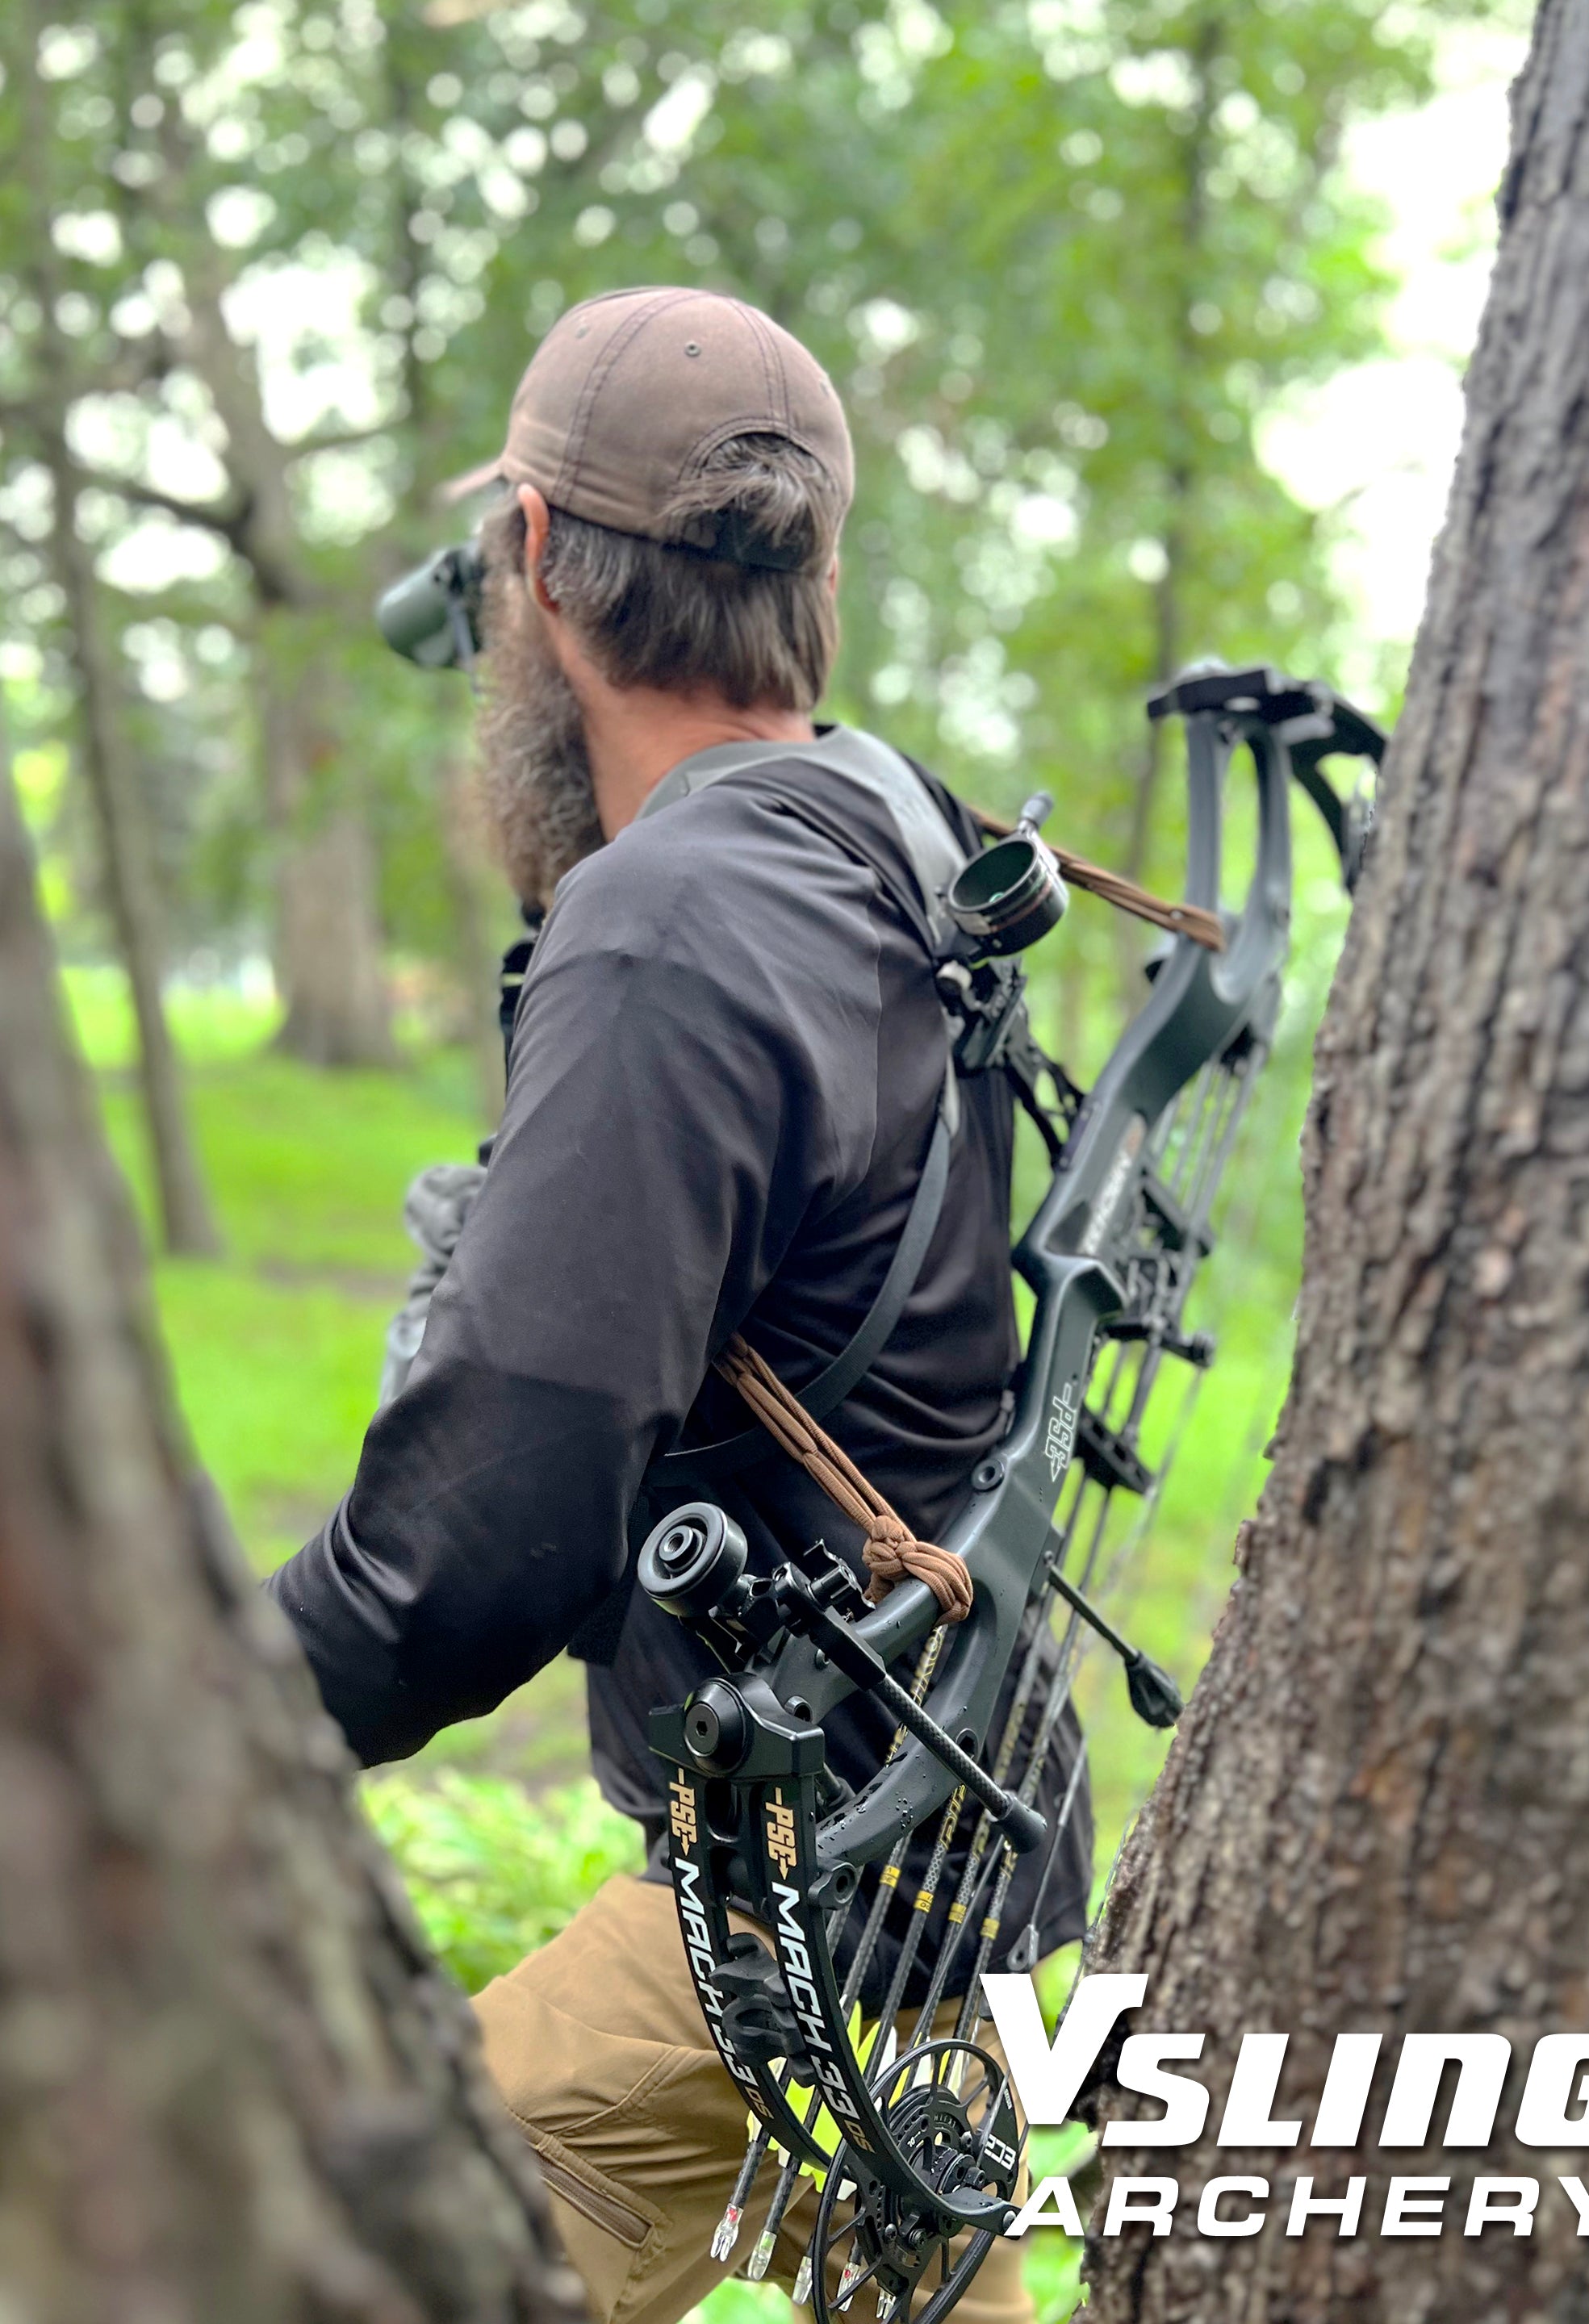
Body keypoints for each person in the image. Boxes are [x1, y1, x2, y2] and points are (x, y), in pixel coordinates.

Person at [265, 286, 1090, 2324]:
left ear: (538, 563)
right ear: (809, 577)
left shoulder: (666, 930)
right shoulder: (887, 832)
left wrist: (175, 1735)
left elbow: (468, 1562)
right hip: (944, 1817)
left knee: (332, 2255)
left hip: (808, 1888)